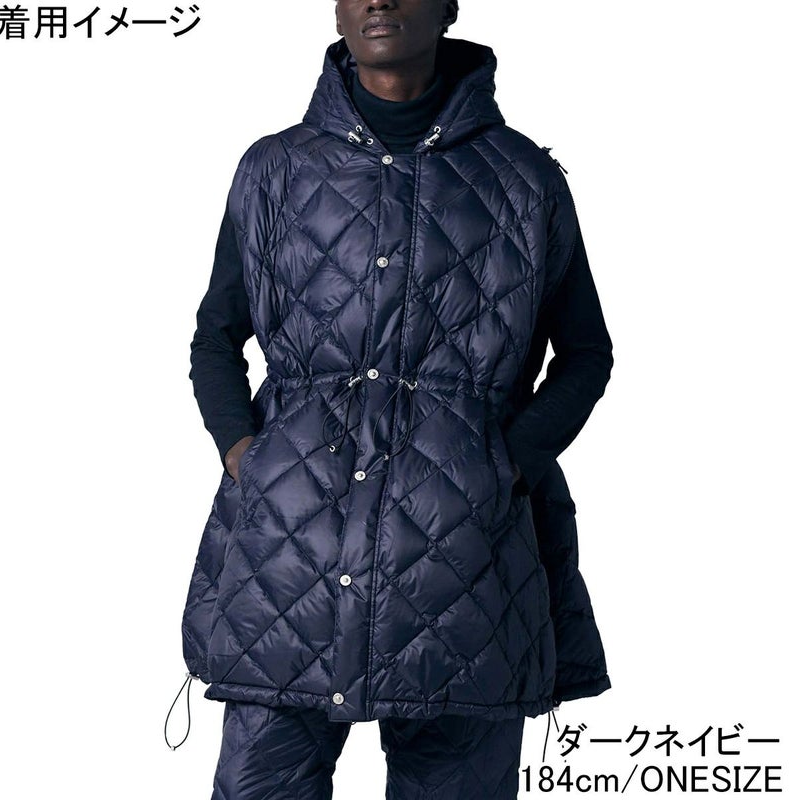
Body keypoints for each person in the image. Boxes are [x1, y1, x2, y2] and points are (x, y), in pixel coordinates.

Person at [184, 2, 614, 797]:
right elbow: (216, 336)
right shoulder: (275, 168)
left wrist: (507, 465)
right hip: (290, 555)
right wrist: (245, 453)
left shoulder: (523, 177)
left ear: (448, 6)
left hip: (464, 557)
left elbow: (586, 352)